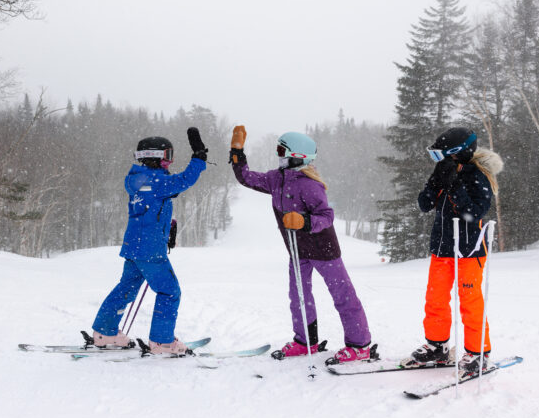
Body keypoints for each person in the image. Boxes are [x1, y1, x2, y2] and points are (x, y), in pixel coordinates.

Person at [229, 126, 373, 364]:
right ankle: (305, 341)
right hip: (297, 250)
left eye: (281, 150)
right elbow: (246, 178)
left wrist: (304, 221)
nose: (278, 154)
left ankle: (360, 346)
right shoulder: (276, 178)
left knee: (343, 295)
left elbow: (326, 216)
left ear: (298, 155)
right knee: (298, 296)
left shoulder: (309, 184)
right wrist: (237, 152)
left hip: (323, 249)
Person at [90, 128, 209, 355]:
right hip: (150, 250)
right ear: (155, 156)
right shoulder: (157, 181)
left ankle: (105, 332)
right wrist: (198, 158)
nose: (169, 161)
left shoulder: (138, 179)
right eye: (167, 156)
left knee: (126, 288)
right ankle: (162, 342)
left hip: (134, 246)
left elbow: (149, 208)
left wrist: (167, 226)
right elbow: (185, 179)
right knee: (169, 291)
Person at [408, 127, 504, 376]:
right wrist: (436, 181)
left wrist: (455, 186)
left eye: (442, 156)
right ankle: (437, 346)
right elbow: (424, 204)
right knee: (436, 299)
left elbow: (473, 213)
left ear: (458, 153)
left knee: (470, 302)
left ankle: (478, 354)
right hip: (442, 248)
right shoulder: (443, 169)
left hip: (469, 251)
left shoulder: (478, 176)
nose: (438, 162)